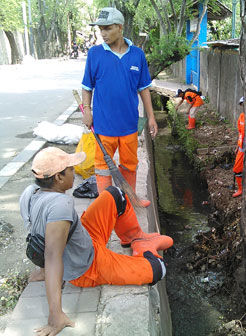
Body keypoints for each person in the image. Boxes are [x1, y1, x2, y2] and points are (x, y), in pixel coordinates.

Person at [20, 147, 173, 335]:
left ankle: (135, 238)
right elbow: (52, 255)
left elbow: (37, 236)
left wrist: (42, 269)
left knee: (116, 195)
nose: (74, 173)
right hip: (89, 266)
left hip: (84, 238)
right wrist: (55, 316)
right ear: (58, 178)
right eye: (70, 170)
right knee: (159, 268)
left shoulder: (30, 192)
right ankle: (146, 254)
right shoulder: (60, 206)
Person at [81, 7, 158, 207]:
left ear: (120, 27)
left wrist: (151, 117)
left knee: (130, 166)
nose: (103, 33)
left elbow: (144, 89)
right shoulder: (95, 54)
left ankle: (130, 200)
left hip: (129, 124)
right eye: (100, 29)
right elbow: (87, 86)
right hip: (104, 125)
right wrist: (87, 110)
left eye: (107, 28)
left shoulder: (137, 55)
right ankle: (105, 206)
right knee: (103, 167)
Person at [232, 96, 245, 198]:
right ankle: (241, 189)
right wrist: (237, 146)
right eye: (242, 105)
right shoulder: (241, 117)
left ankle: (243, 189)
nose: (243, 107)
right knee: (237, 169)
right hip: (241, 147)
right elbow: (240, 133)